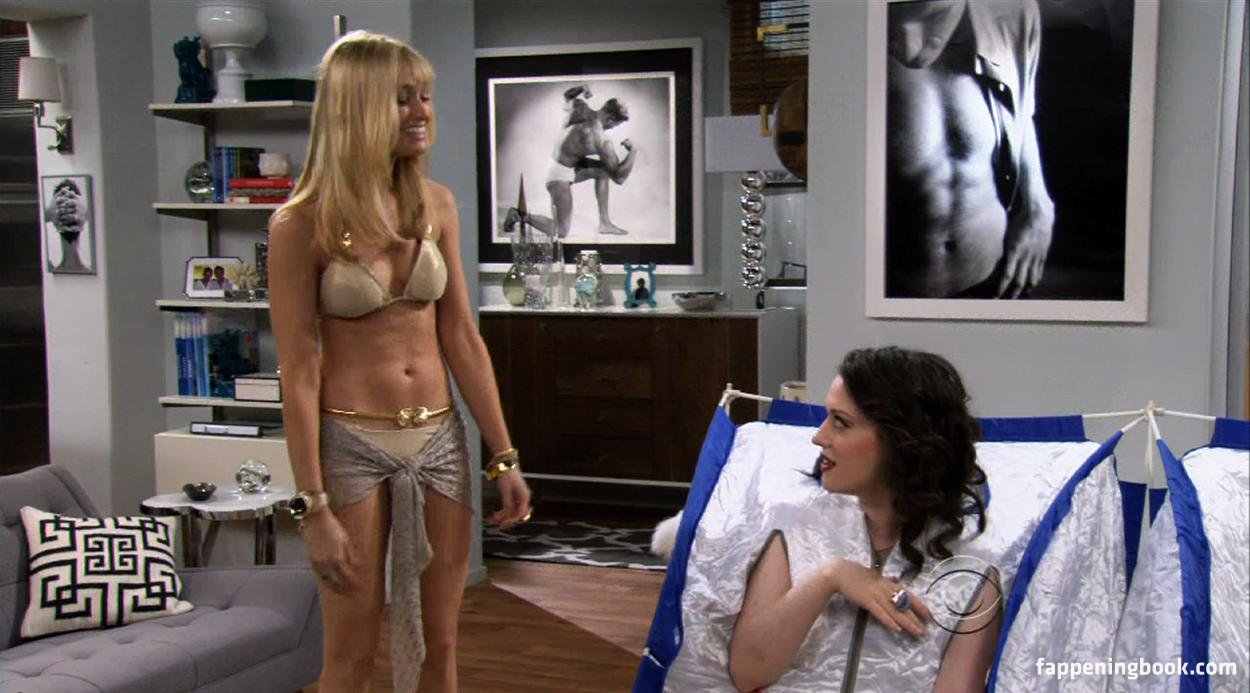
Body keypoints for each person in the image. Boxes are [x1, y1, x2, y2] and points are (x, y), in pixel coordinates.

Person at [267, 31, 532, 693]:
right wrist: (313, 507)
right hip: (352, 445)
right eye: (402, 99)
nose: (422, 113)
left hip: (441, 440)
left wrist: (503, 456)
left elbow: (462, 337)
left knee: (441, 644)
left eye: (425, 97)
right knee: (352, 654)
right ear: (356, 108)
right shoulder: (299, 224)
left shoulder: (434, 204)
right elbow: (298, 369)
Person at [728, 346, 1000, 692]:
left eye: (840, 422)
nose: (818, 436)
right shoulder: (795, 525)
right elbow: (748, 673)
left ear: (901, 440)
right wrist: (830, 577)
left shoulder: (971, 575)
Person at [885, 0, 1055, 299]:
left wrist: (1038, 206)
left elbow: (1021, 108)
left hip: (998, 279)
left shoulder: (1012, 11)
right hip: (892, 294)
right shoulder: (857, 33)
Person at [519, 92, 639, 238]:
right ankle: (520, 216)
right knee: (561, 231)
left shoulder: (582, 108)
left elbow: (567, 96)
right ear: (611, 119)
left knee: (603, 172)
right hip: (558, 175)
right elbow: (619, 178)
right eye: (615, 125)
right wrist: (633, 150)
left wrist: (581, 88)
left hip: (563, 165)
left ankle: (605, 223)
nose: (612, 128)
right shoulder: (601, 140)